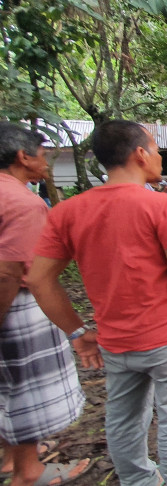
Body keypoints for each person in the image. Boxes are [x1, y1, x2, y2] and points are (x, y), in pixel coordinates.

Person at [26, 120, 167, 486]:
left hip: (116, 342)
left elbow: (38, 279)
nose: (160, 159)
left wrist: (77, 331)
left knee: (123, 420)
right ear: (140, 154)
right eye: (156, 150)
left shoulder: (67, 212)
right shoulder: (162, 206)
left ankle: (139, 481)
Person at [0, 123, 94, 486]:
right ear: (23, 157)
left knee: (6, 383)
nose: (47, 162)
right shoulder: (23, 202)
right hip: (15, 305)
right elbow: (11, 273)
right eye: (42, 154)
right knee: (25, 385)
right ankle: (29, 471)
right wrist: (77, 329)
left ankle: (11, 457)